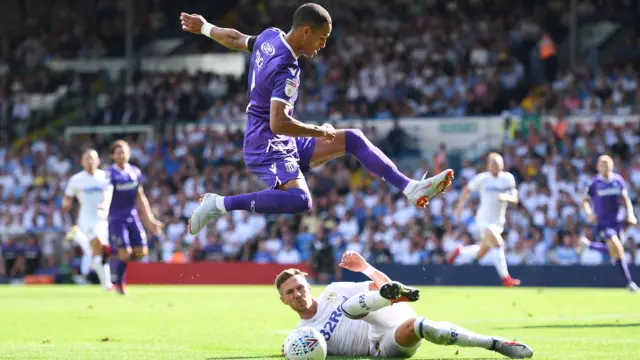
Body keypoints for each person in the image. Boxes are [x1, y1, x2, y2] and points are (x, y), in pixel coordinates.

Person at [179, 3, 454, 235]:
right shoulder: (286, 68)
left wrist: (204, 27)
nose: (324, 45)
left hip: (279, 140)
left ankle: (411, 188)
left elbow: (236, 38)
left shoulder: (270, 36)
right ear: (306, 31)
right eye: (322, 38)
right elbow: (278, 122)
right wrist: (318, 131)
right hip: (265, 144)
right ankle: (220, 204)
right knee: (300, 200)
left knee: (353, 139)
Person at [276, 251, 533, 358]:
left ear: (309, 287)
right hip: (381, 346)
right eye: (290, 292)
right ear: (283, 300)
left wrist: (365, 267)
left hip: (384, 314)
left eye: (300, 287)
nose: (298, 294)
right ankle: (494, 344)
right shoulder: (303, 335)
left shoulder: (334, 290)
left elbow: (384, 283)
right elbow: (298, 350)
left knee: (348, 306)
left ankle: (396, 296)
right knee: (420, 325)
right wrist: (289, 348)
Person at [448, 153, 521, 287]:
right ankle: (506, 278)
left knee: (479, 255)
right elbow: (467, 190)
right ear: (488, 166)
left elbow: (515, 199)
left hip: (499, 222)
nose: (496, 167)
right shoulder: (483, 178)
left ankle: (460, 252)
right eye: (493, 164)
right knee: (498, 244)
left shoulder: (508, 179)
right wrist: (459, 206)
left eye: (498, 164)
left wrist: (506, 197)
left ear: (503, 165)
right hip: (484, 220)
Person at [107, 140, 164, 295]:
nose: (121, 154)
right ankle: (119, 283)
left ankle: (113, 255)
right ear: (113, 155)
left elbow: (140, 197)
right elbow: (107, 193)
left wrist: (150, 220)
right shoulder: (110, 174)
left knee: (141, 252)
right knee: (125, 253)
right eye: (118, 152)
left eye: (124, 151)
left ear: (129, 153)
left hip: (132, 217)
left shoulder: (135, 172)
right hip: (116, 219)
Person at [578, 155, 638, 292]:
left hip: (616, 222)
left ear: (611, 166)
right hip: (603, 223)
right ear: (598, 167)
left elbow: (626, 199)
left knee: (616, 253)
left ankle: (588, 245)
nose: (605, 166)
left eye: (607, 164)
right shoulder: (595, 183)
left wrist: (630, 213)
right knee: (616, 246)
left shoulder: (618, 181)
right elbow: (584, 200)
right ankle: (630, 283)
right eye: (602, 164)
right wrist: (589, 214)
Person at [63, 149, 113, 290]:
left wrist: (104, 205)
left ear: (98, 161)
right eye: (87, 158)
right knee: (99, 244)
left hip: (103, 220)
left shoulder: (105, 177)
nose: (90, 161)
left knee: (100, 252)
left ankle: (106, 283)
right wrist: (66, 206)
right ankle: (106, 283)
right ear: (82, 162)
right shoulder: (76, 179)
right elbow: (67, 199)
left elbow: (108, 193)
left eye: (93, 158)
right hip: (86, 220)